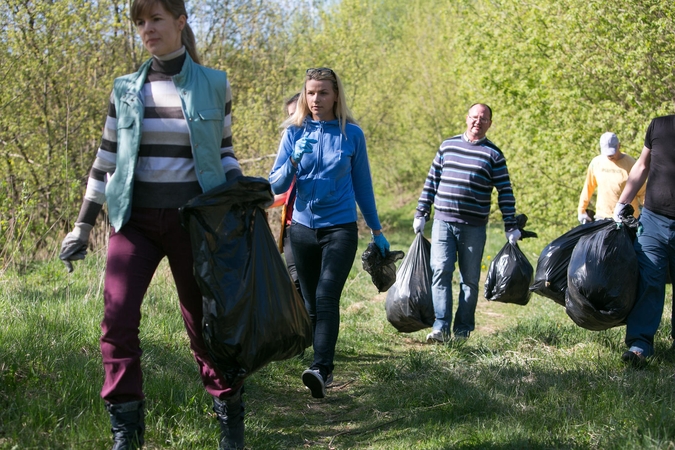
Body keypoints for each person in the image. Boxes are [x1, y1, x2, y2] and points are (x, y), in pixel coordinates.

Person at [58, 1, 245, 448]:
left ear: (180, 22)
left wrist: (241, 193)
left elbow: (224, 153)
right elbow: (105, 163)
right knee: (117, 320)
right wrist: (82, 227)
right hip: (133, 222)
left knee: (205, 324)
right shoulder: (125, 89)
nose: (147, 29)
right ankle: (126, 428)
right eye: (140, 22)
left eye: (156, 19)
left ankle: (229, 415)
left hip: (193, 225)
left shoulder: (214, 84)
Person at [269, 67, 389, 399]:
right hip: (302, 229)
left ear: (336, 95)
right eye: (311, 93)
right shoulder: (294, 133)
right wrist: (293, 160)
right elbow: (274, 186)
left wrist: (376, 230)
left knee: (325, 296)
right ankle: (316, 360)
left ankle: (322, 368)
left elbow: (363, 187)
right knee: (310, 304)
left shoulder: (352, 134)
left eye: (323, 92)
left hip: (340, 228)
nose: (316, 99)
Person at [413, 103, 521, 343]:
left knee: (469, 281)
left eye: (483, 119)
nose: (478, 122)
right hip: (443, 222)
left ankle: (462, 331)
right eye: (474, 117)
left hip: (474, 227)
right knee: (440, 271)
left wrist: (510, 225)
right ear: (467, 118)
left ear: (489, 124)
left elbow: (505, 191)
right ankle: (440, 327)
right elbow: (432, 180)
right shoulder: (447, 146)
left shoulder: (494, 154)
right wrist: (421, 212)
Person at [614, 114, 675, 368]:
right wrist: (623, 202)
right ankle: (640, 345)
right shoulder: (659, 125)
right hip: (653, 220)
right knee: (650, 277)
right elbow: (641, 165)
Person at [269, 93, 302, 298]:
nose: (293, 120)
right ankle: (301, 326)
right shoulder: (291, 145)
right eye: (290, 115)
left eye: (296, 114)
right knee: (296, 280)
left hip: (317, 224)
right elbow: (283, 193)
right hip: (291, 225)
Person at [577, 132, 645, 224]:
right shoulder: (596, 163)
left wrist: (647, 213)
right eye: (606, 152)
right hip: (602, 217)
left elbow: (643, 191)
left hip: (626, 218)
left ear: (619, 146)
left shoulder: (631, 164)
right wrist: (581, 210)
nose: (609, 155)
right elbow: (588, 187)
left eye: (612, 151)